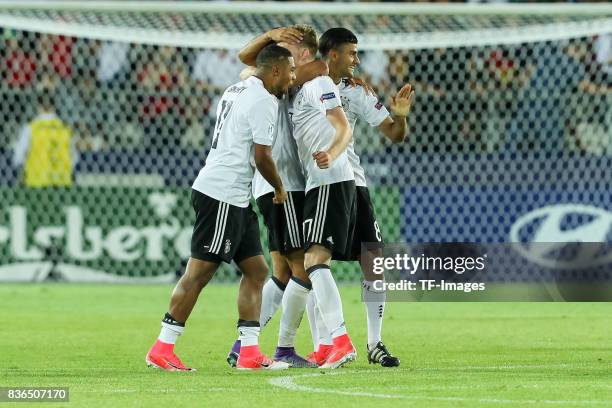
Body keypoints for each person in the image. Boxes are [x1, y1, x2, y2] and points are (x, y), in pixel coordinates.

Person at [145, 44, 295, 371]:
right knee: (199, 273)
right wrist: (279, 187)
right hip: (222, 194)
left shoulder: (235, 88)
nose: (292, 78)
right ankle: (162, 347)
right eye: (290, 71)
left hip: (234, 196)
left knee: (256, 271)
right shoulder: (264, 101)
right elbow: (262, 156)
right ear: (275, 70)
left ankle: (250, 352)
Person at [306, 27, 414, 367]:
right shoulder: (306, 86)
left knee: (373, 261)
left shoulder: (357, 91)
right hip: (318, 182)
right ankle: (323, 342)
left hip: (354, 184)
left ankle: (374, 342)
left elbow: (395, 134)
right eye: (352, 53)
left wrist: (400, 113)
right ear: (333, 53)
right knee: (313, 261)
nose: (357, 59)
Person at [226, 25, 328, 369]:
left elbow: (320, 67)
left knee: (282, 273)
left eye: (286, 47)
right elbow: (245, 61)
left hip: (281, 184)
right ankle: (285, 348)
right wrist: (272, 37)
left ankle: (243, 347)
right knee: (304, 268)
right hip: (281, 187)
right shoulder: (283, 77)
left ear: (300, 51)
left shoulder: (297, 77)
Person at [13, 88, 78, 187]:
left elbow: (18, 157)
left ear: (38, 106)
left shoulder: (31, 128)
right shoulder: (65, 128)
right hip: (62, 183)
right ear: (55, 106)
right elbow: (74, 158)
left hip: (36, 182)